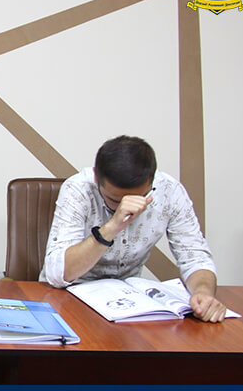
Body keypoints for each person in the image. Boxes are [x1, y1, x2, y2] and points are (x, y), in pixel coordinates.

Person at [39, 135, 227, 322]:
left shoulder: (170, 191)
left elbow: (195, 257)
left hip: (128, 302)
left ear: (152, 181)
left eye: (140, 198)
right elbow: (57, 275)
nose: (128, 208)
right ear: (96, 178)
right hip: (68, 295)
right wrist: (112, 226)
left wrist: (203, 293)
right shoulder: (78, 189)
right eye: (115, 200)